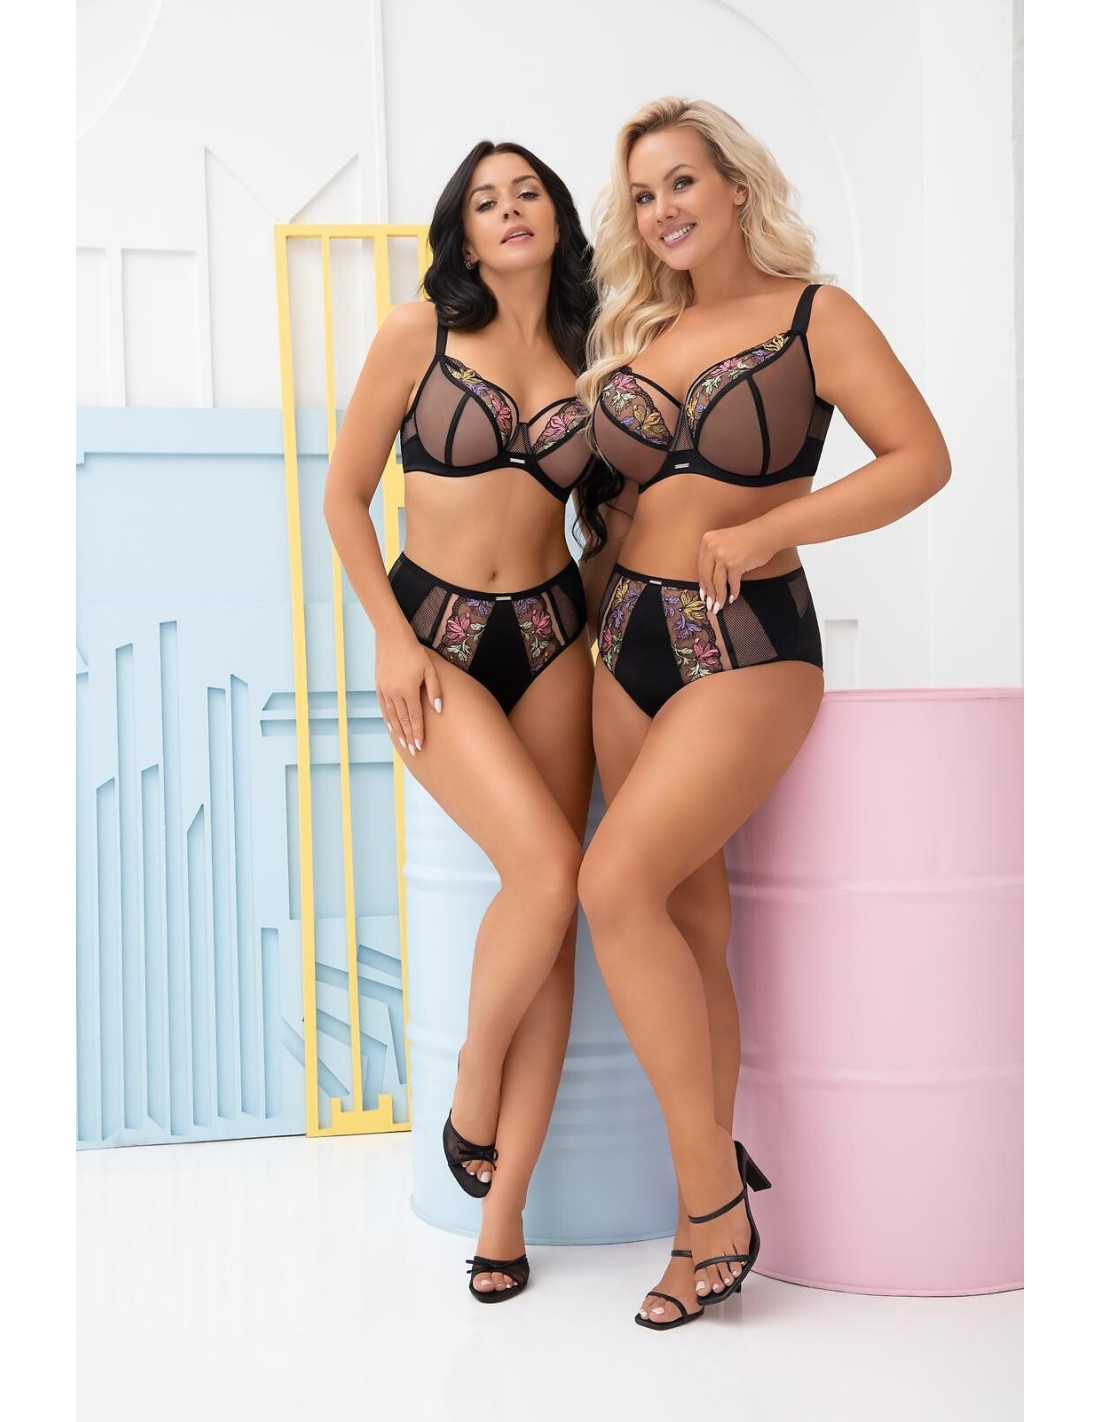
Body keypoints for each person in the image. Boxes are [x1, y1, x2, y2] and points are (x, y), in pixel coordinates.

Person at [573, 97, 951, 1331]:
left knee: (610, 885)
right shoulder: (639, 333)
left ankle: (710, 1205)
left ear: (735, 186)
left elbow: (918, 458)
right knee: (686, 921)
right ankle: (704, 1224)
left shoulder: (813, 316)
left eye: (681, 182)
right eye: (641, 196)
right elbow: (606, 510)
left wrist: (774, 525)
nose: (661, 211)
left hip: (741, 641)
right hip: (621, 642)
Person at [324, 140, 598, 1302]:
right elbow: (342, 494)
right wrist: (391, 638)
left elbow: (616, 513)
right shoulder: (417, 334)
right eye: (485, 200)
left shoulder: (596, 352)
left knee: (557, 918)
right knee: (544, 867)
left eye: (526, 192)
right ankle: (471, 1086)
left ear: (555, 216)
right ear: (465, 232)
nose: (508, 209)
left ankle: (503, 1212)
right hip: (434, 633)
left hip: (554, 635)